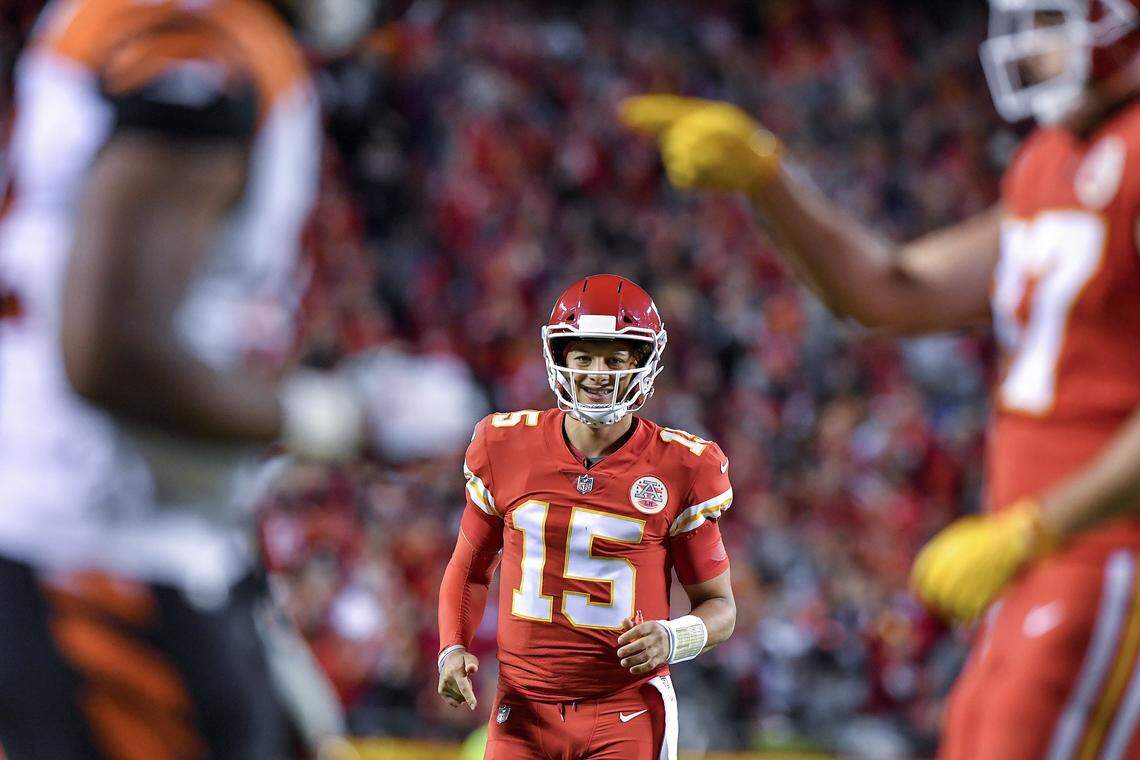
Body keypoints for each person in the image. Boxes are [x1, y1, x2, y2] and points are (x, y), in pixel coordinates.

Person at [622, 1, 1140, 757]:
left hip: (1102, 550)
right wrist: (768, 179)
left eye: (1050, 23)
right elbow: (891, 290)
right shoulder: (1047, 165)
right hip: (1036, 557)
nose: (1029, 49)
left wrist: (1043, 525)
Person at [0, 1, 381, 757]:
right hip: (102, 553)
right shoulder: (203, 43)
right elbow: (113, 351)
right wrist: (337, 419)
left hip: (128, 537)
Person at [436, 274, 736, 760]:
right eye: (585, 357)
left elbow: (721, 607)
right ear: (561, 360)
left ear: (642, 364)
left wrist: (672, 637)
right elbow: (469, 570)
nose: (599, 373)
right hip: (522, 707)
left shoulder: (682, 466)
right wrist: (452, 647)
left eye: (615, 359)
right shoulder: (503, 445)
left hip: (625, 708)